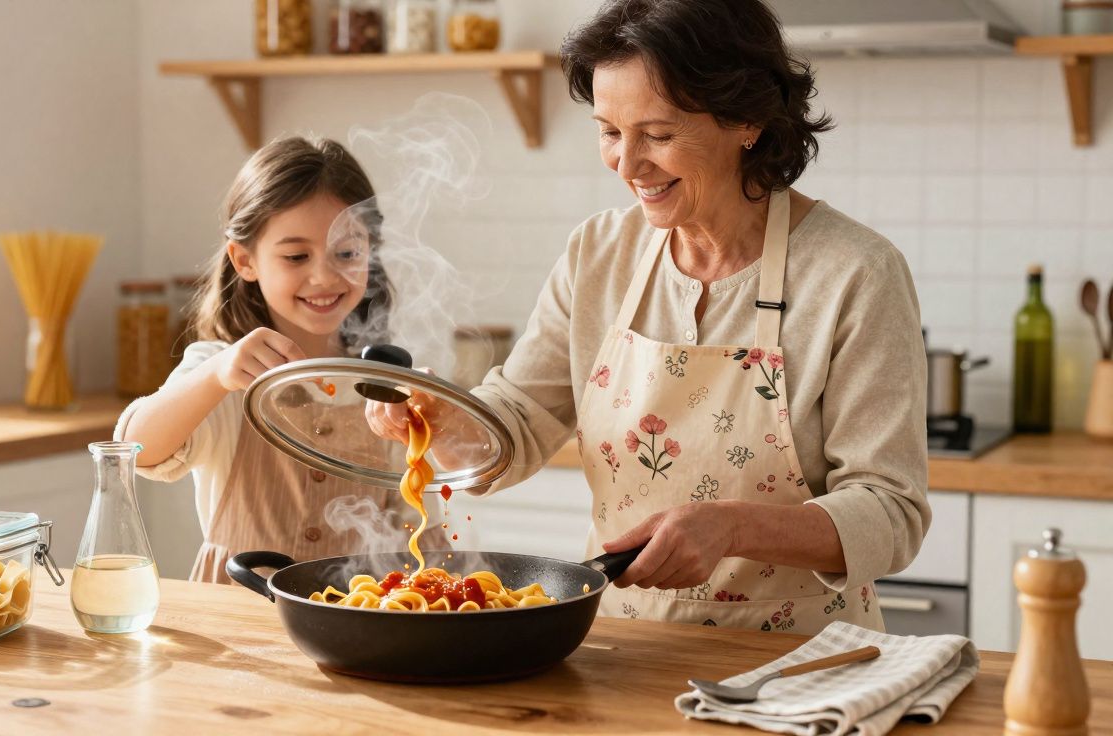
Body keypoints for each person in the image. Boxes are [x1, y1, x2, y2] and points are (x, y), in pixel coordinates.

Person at [370, 0, 929, 633]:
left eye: (658, 136)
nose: (627, 164)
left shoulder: (855, 272)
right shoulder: (598, 254)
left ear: (746, 119)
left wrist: (732, 526)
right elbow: (518, 425)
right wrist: (440, 418)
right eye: (610, 131)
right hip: (623, 647)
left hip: (801, 661)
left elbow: (891, 513)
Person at [116, 136, 441, 583]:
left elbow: (423, 536)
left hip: (353, 613)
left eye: (347, 253)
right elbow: (136, 451)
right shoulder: (220, 371)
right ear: (244, 260)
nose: (324, 276)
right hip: (233, 610)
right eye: (296, 256)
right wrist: (215, 376)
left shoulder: (384, 385)